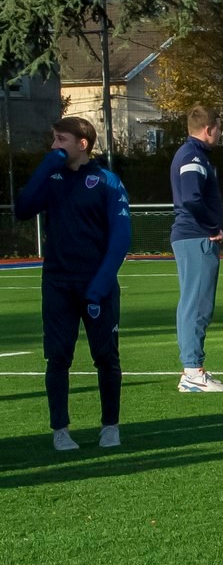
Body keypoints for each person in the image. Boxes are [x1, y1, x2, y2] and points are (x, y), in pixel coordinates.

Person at [15, 116, 131, 450]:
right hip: (57, 283)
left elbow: (121, 238)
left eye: (60, 140)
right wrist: (48, 163)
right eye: (53, 139)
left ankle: (110, 426)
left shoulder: (107, 181)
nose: (54, 146)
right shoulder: (52, 179)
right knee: (58, 357)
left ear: (82, 143)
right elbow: (23, 208)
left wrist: (99, 286)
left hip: (97, 285)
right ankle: (60, 430)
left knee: (106, 357)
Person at [169, 104, 223, 392]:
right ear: (208, 129)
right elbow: (192, 198)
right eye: (219, 128)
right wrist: (211, 227)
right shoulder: (193, 156)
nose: (221, 133)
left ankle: (191, 368)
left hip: (191, 236)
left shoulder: (194, 154)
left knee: (193, 302)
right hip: (196, 237)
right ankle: (192, 372)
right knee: (198, 304)